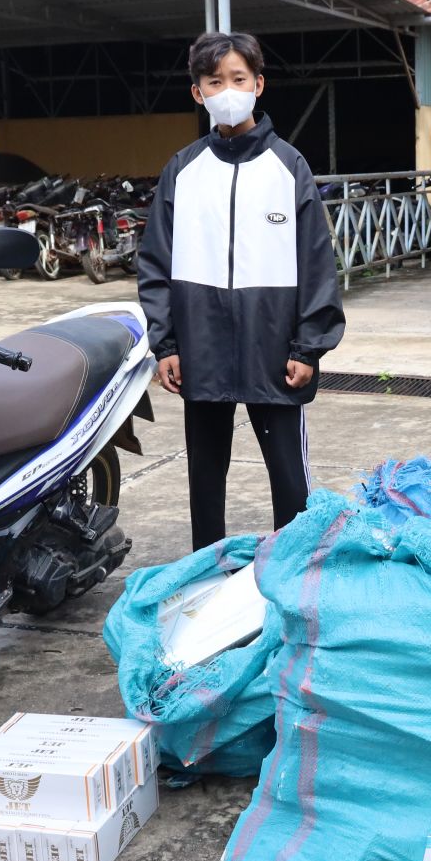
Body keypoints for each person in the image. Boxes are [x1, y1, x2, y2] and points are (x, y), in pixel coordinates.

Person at [136, 31, 345, 551]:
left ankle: (292, 571)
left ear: (258, 84)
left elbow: (317, 264)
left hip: (275, 353)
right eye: (214, 82)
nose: (227, 91)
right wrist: (166, 344)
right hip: (201, 352)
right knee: (205, 480)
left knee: (290, 481)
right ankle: (208, 571)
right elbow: (155, 262)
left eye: (238, 79)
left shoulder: (288, 167)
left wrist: (308, 347)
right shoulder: (183, 170)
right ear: (197, 93)